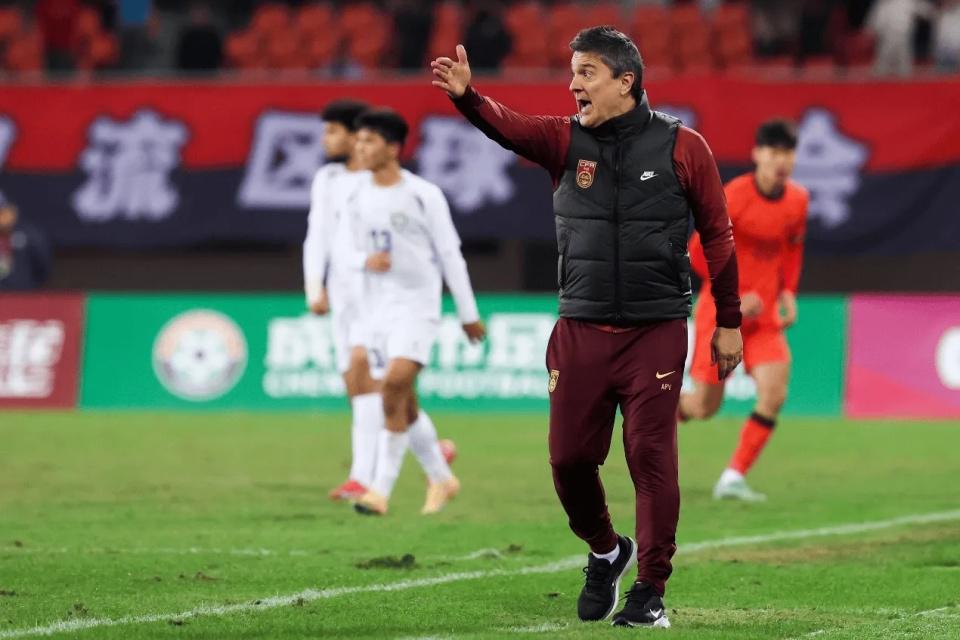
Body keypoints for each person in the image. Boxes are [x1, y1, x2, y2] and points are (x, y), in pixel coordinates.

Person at [431, 27, 742, 628]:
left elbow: (718, 236)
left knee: (650, 456)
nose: (573, 84)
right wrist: (468, 97)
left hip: (655, 329)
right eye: (572, 72)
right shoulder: (564, 141)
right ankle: (605, 551)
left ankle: (649, 590)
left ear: (626, 81)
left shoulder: (684, 147)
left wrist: (727, 320)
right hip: (580, 327)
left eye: (587, 73)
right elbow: (509, 127)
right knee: (569, 460)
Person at [347, 109, 486, 516]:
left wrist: (467, 312)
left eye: (369, 141)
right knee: (403, 403)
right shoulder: (356, 196)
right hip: (377, 309)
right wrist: (363, 261)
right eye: (358, 141)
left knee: (393, 385)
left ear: (393, 148)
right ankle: (441, 478)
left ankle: (379, 491)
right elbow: (346, 250)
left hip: (418, 306)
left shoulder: (423, 194)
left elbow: (450, 255)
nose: (360, 148)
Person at [680, 120, 808, 503]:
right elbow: (697, 254)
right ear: (757, 154)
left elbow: (792, 249)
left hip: (764, 319)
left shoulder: (798, 200)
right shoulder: (733, 197)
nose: (780, 160)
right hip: (721, 316)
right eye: (773, 152)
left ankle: (733, 477)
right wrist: (733, 297)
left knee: (775, 393)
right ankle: (655, 413)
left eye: (787, 153)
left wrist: (788, 291)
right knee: (704, 407)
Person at [303, 99, 382, 503]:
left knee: (366, 374)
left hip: (376, 293)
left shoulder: (379, 180)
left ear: (355, 136)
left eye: (332, 131)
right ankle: (431, 451)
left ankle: (362, 477)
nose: (325, 139)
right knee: (356, 383)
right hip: (342, 293)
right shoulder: (327, 179)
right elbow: (317, 235)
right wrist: (314, 287)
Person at [0, 193, 52, 291]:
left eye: (3, 211)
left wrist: (28, 286)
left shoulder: (29, 233)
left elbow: (43, 267)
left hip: (22, 293)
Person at [174, 2, 223, 72]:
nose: (199, 16)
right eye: (197, 13)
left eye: (202, 13)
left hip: (210, 74)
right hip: (189, 74)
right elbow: (180, 58)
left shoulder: (213, 35)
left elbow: (219, 57)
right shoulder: (186, 35)